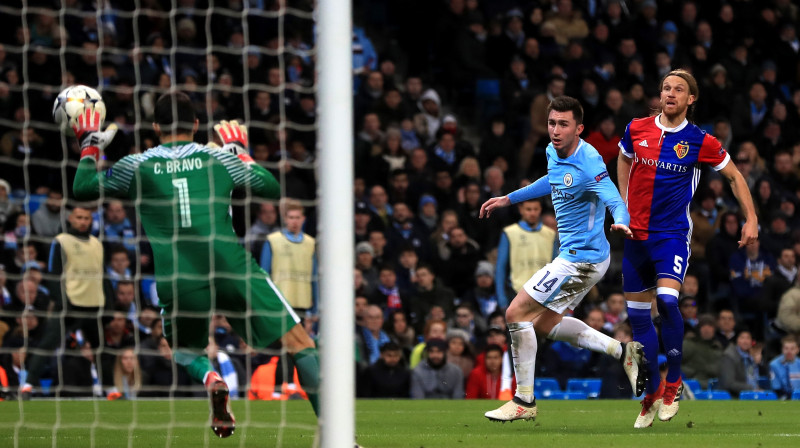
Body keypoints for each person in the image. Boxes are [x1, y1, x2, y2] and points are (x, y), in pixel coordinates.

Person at [70, 93, 320, 438]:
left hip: (179, 275)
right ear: (197, 125)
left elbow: (82, 188)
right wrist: (241, 153)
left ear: (156, 127)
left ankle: (211, 378)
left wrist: (89, 146)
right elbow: (271, 187)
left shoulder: (135, 164)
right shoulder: (217, 157)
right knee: (301, 344)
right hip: (230, 266)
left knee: (185, 350)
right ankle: (338, 437)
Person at [479, 96, 643, 423]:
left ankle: (523, 400)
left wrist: (622, 218)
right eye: (552, 122)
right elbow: (551, 181)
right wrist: (508, 198)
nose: (555, 130)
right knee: (544, 324)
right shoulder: (553, 151)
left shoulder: (590, 162)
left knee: (515, 312)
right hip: (584, 258)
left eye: (563, 124)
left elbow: (611, 195)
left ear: (579, 129)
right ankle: (623, 351)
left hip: (580, 260)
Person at [617, 69, 758, 427]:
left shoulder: (700, 140)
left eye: (679, 89)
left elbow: (735, 176)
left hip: (671, 236)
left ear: (690, 99)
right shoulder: (637, 128)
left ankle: (675, 382)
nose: (670, 93)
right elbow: (623, 158)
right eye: (666, 87)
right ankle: (650, 395)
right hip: (636, 237)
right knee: (638, 321)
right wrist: (622, 203)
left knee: (666, 301)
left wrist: (751, 218)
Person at [20, 205, 112, 397]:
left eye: (86, 218)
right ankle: (28, 385)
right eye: (79, 217)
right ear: (71, 218)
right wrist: (61, 302)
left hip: (93, 305)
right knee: (47, 344)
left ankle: (110, 389)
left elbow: (103, 276)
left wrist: (109, 306)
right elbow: (53, 274)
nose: (83, 221)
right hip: (69, 304)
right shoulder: (61, 241)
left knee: (101, 349)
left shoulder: (97, 243)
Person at [259, 199, 318, 318]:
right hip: (280, 302)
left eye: (297, 217)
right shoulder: (273, 241)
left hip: (303, 304)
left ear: (303, 219)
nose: (294, 221)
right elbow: (264, 274)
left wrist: (315, 308)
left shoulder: (310, 243)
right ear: (285, 219)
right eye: (291, 217)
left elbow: (314, 277)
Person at [495, 198, 557, 309]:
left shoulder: (550, 234)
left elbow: (557, 268)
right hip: (516, 292)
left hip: (544, 295)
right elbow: (500, 268)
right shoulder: (510, 233)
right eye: (528, 209)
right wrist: (501, 298)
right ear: (521, 210)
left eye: (535, 209)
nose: (532, 213)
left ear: (540, 210)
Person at [769, 335, 800, 399]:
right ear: (782, 349)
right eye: (786, 348)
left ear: (797, 350)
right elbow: (776, 388)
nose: (789, 352)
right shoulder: (774, 365)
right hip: (782, 398)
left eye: (792, 349)